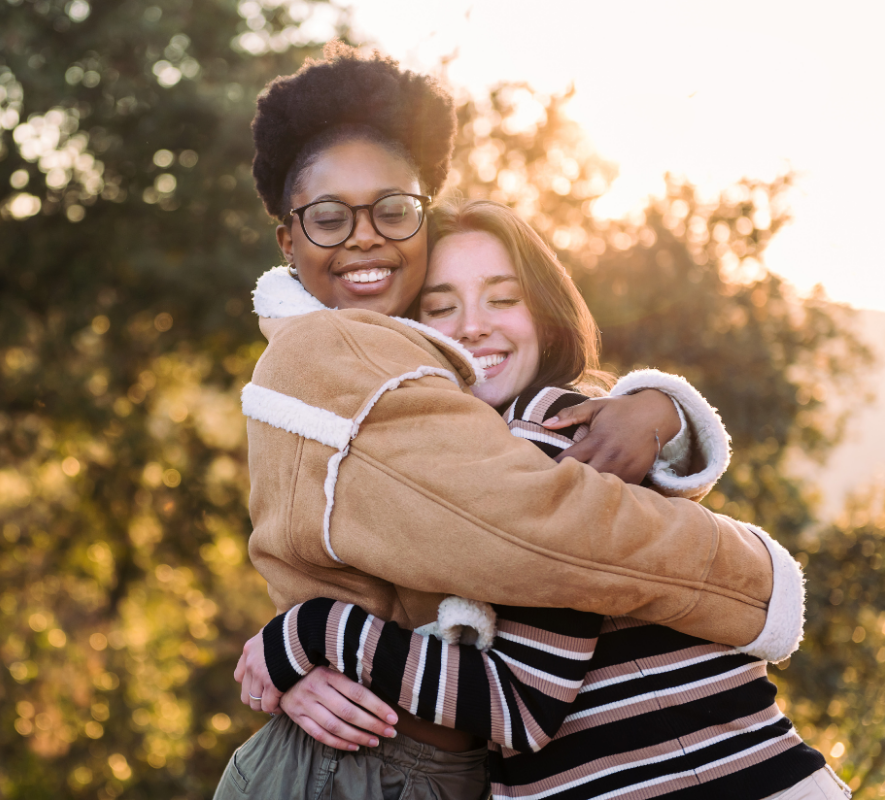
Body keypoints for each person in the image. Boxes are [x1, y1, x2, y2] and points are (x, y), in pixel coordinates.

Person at [215, 43, 803, 799]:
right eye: (329, 218)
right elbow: (539, 536)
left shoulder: (489, 414)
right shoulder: (329, 354)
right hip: (363, 766)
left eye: (393, 210)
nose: (364, 234)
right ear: (289, 242)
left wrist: (657, 406)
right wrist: (756, 578)